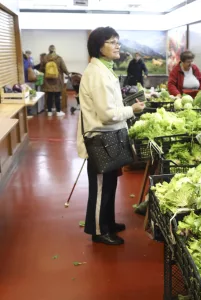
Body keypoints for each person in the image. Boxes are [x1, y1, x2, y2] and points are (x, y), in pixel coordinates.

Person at [77, 26, 145, 245]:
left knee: (109, 184)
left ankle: (108, 221)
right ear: (99, 47)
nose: (118, 46)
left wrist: (125, 107)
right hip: (100, 139)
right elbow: (106, 115)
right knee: (100, 188)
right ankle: (98, 230)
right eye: (112, 42)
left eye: (118, 41)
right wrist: (131, 111)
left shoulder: (105, 69)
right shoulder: (97, 73)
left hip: (110, 137)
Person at [40, 45, 70, 117]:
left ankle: (49, 111)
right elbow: (64, 68)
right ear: (55, 50)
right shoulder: (59, 58)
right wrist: (68, 73)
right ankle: (58, 111)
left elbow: (41, 69)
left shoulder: (44, 58)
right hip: (57, 80)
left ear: (49, 50)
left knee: (49, 96)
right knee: (57, 96)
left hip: (47, 80)